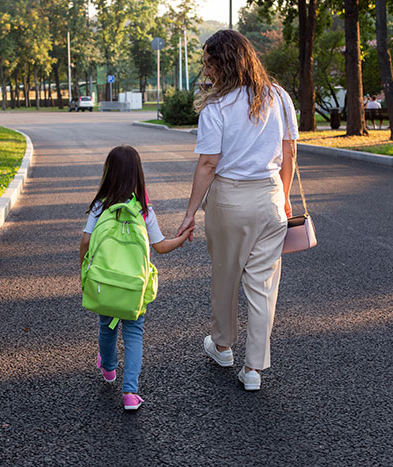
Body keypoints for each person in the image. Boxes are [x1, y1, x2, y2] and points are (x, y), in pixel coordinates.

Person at [176, 30, 298, 391]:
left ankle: (224, 347)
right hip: (272, 197)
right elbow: (289, 152)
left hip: (230, 200)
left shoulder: (217, 107)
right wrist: (285, 196)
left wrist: (189, 212)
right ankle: (254, 370)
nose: (206, 69)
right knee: (262, 286)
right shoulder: (279, 96)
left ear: (223, 62)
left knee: (226, 276)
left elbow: (208, 165)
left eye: (209, 62)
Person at [80, 145, 193, 410]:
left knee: (106, 326)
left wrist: (85, 271)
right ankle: (130, 393)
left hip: (105, 283)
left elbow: (85, 240)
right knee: (133, 335)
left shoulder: (100, 206)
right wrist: (183, 237)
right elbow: (161, 246)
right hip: (134, 288)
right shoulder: (144, 210)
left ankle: (108, 368)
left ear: (108, 174)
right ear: (138, 175)